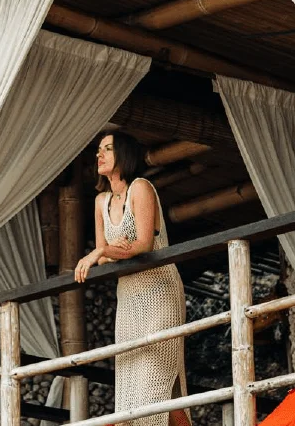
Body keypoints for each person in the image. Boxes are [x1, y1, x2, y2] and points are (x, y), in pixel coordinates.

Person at [74, 131, 189, 426]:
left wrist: (104, 250)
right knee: (143, 388)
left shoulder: (141, 188)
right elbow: (105, 257)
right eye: (98, 150)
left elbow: (143, 246)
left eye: (107, 149)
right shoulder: (101, 201)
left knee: (156, 381)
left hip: (160, 291)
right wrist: (108, 252)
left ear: (123, 155)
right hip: (129, 299)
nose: (99, 155)